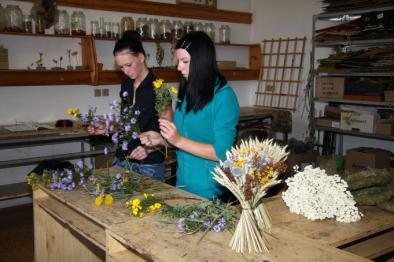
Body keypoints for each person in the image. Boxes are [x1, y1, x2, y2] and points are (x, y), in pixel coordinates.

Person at [140, 31, 240, 199]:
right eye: (178, 61)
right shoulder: (188, 90)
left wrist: (177, 140)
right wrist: (162, 139)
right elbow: (186, 137)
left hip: (210, 190)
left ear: (202, 62)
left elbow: (222, 153)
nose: (179, 67)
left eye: (185, 61)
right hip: (183, 184)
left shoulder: (224, 97)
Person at [88, 30, 172, 181]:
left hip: (148, 166)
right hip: (123, 160)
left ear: (141, 57)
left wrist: (149, 148)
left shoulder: (160, 89)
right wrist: (107, 127)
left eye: (128, 65)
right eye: (121, 67)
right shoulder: (126, 84)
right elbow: (127, 123)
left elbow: (168, 134)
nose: (125, 71)